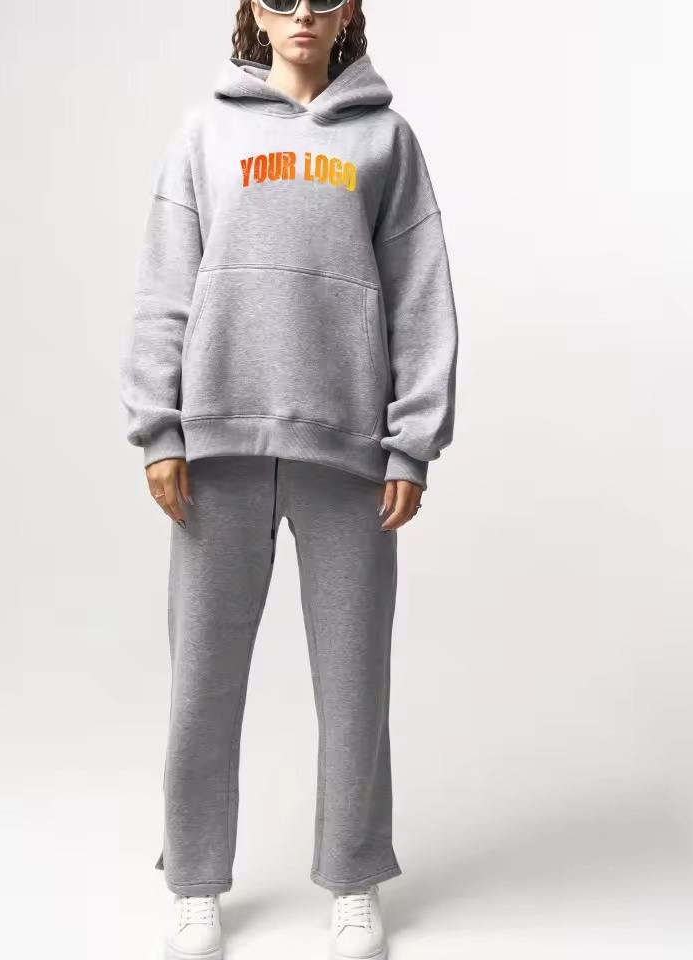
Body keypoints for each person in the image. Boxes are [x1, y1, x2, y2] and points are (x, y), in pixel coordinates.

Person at [120, 2, 459, 957]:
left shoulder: (386, 139)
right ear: (251, 13)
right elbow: (164, 288)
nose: (301, 11)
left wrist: (411, 442)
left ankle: (353, 879)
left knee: (354, 683)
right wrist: (159, 429)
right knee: (203, 681)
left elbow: (421, 294)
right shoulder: (206, 131)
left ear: (349, 9)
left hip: (347, 451)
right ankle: (194, 883)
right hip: (218, 448)